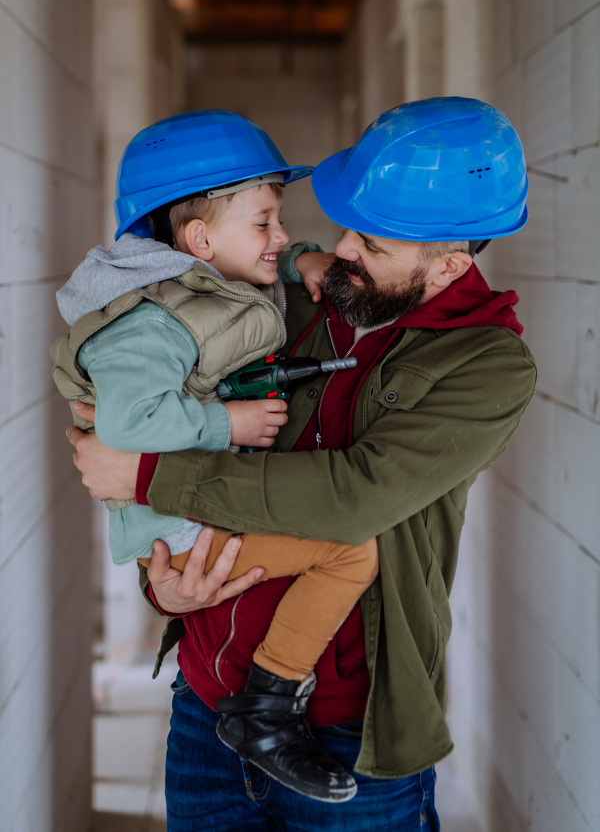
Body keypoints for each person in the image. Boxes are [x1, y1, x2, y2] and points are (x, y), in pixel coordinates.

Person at [67, 97, 537, 832]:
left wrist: (144, 474)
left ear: (446, 266)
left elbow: (353, 500)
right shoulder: (310, 296)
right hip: (207, 702)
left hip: (351, 735)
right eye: (349, 227)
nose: (344, 247)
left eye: (371, 243)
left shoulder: (487, 364)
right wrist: (158, 577)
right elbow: (203, 289)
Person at [52, 110, 380, 802]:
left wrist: (302, 259)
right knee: (351, 552)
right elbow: (129, 420)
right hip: (176, 520)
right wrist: (223, 421)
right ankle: (268, 707)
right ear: (199, 239)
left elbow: (244, 276)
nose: (281, 235)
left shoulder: (185, 284)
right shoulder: (149, 323)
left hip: (183, 504)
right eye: (265, 222)